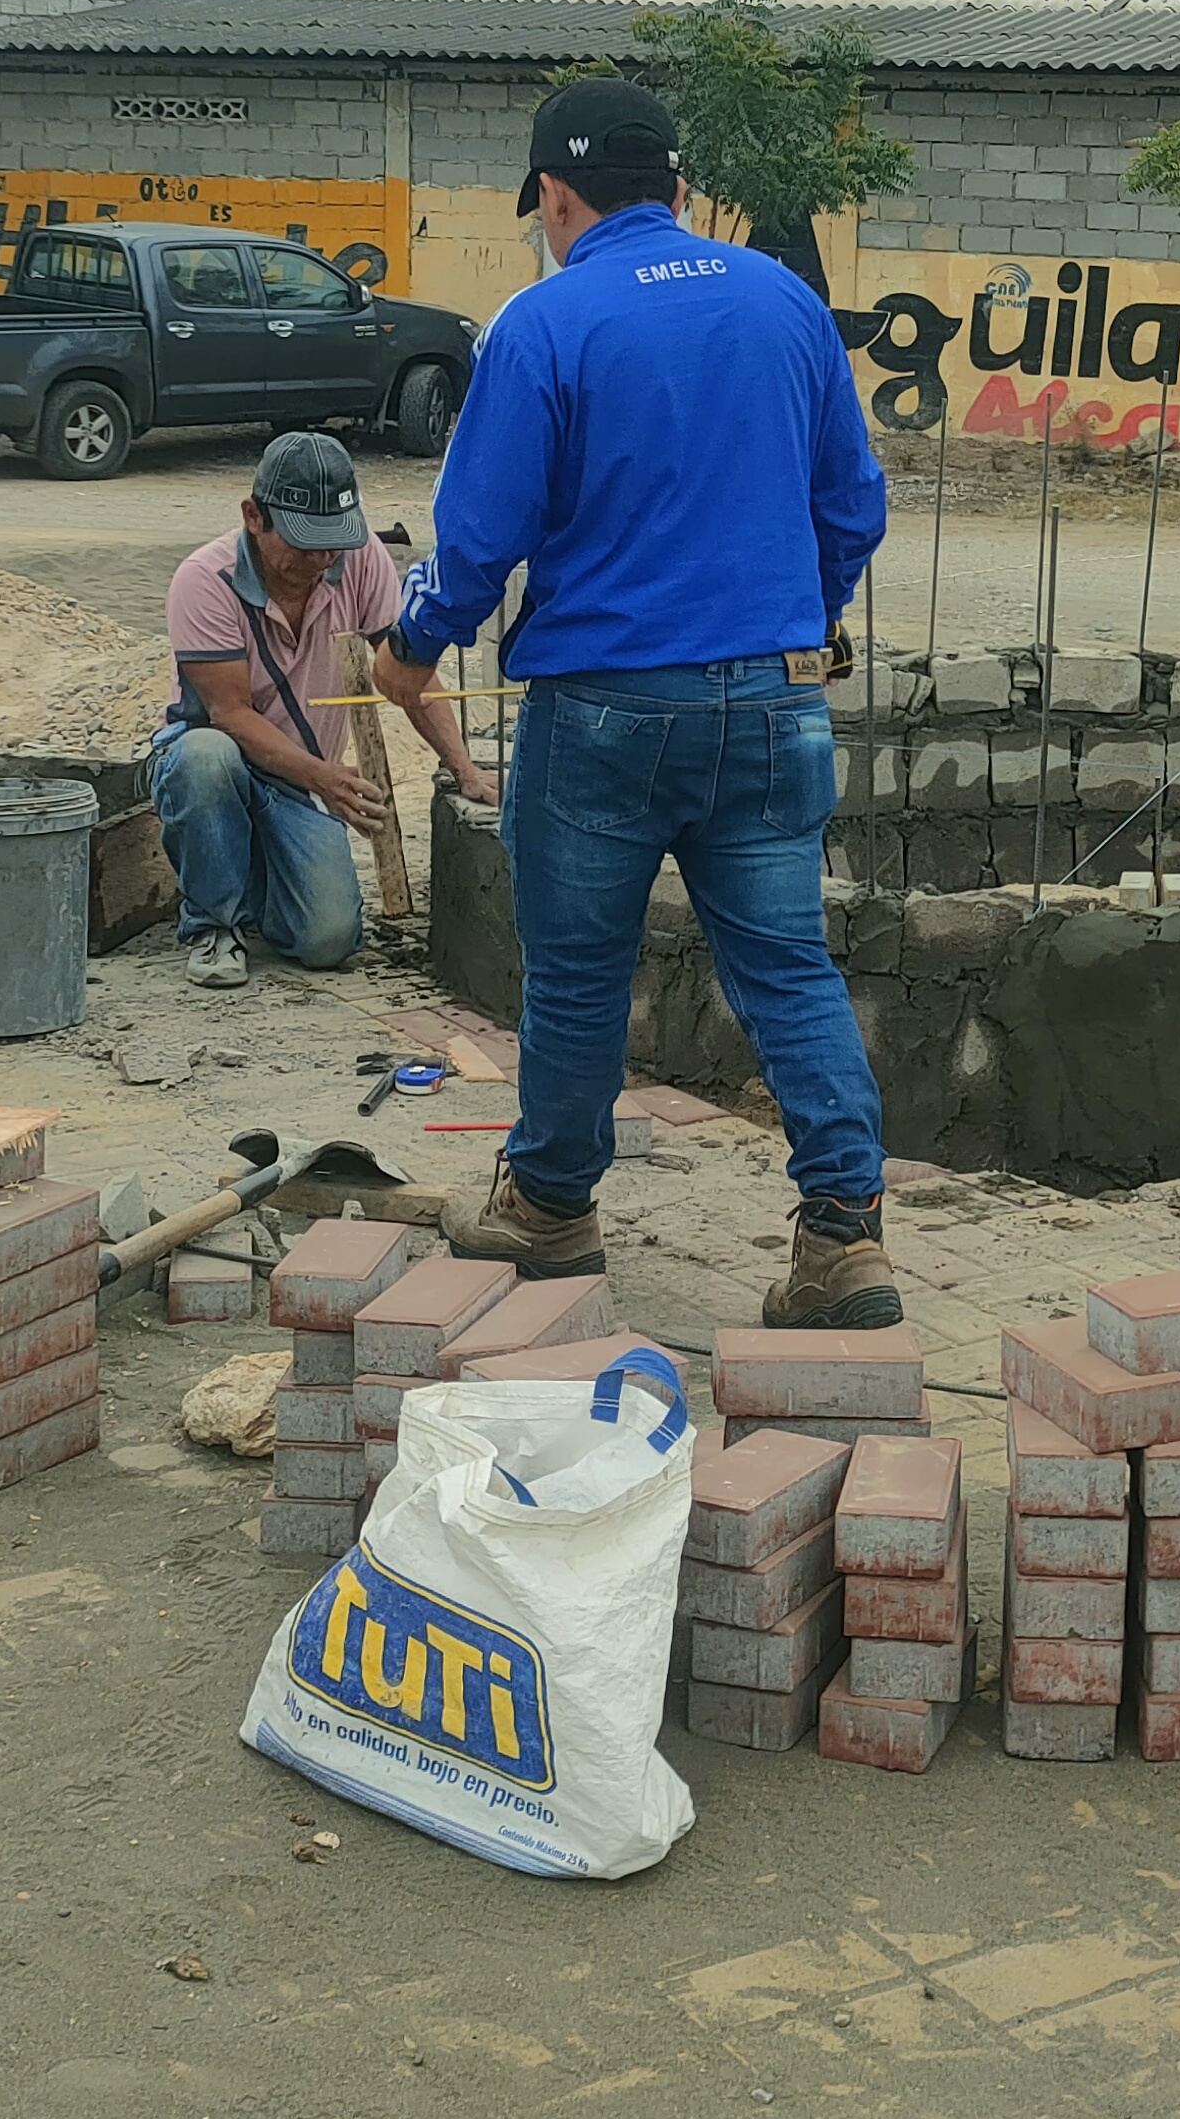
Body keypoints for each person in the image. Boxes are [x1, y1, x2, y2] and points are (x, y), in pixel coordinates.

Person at [371, 78, 899, 1326]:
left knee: (577, 976)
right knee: (788, 969)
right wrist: (798, 622)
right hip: (774, 704)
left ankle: (551, 1209)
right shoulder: (786, 301)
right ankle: (845, 1242)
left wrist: (414, 647)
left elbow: (481, 531)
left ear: (557, 196)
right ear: (678, 189)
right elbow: (852, 506)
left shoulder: (544, 323)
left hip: (604, 711)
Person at [151, 431, 494, 989]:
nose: (320, 559)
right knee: (205, 758)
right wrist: (326, 779)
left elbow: (409, 674)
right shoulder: (204, 581)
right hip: (220, 756)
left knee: (329, 940)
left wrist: (464, 767)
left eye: (333, 542)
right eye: (304, 543)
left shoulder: (359, 558)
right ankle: (213, 924)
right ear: (254, 517)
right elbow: (229, 714)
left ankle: (247, 877)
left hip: (294, 779)